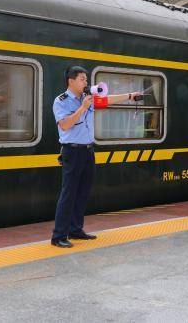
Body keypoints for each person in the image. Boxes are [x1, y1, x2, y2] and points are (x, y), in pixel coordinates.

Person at [51, 66, 141, 248]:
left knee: (83, 192)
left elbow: (108, 99)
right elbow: (65, 125)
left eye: (86, 79)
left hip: (88, 151)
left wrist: (130, 96)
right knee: (68, 194)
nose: (86, 82)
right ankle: (58, 235)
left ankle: (75, 230)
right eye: (83, 79)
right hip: (72, 151)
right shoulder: (61, 101)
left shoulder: (88, 98)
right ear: (71, 81)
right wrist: (82, 108)